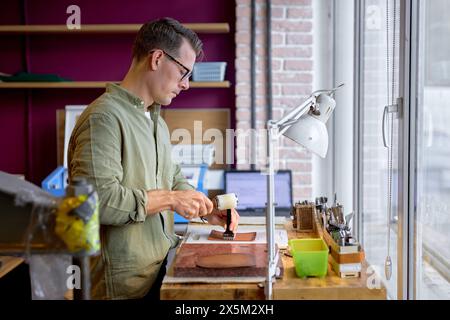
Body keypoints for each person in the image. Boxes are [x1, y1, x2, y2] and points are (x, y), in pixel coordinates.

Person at [67, 17, 239, 300]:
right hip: (122, 289)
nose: (186, 85)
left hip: (158, 271)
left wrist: (206, 207)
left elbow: (173, 177)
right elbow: (99, 203)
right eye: (184, 72)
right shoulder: (103, 118)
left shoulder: (155, 120)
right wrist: (171, 199)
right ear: (158, 58)